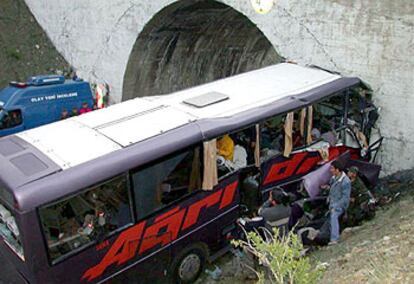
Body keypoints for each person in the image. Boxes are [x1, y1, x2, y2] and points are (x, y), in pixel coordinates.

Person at [321, 160, 351, 245]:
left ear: (337, 170)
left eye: (332, 168)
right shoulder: (334, 178)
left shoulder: (345, 182)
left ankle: (334, 238)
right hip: (332, 203)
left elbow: (345, 198)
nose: (331, 170)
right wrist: (327, 188)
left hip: (340, 205)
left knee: (334, 215)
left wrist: (335, 206)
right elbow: (332, 188)